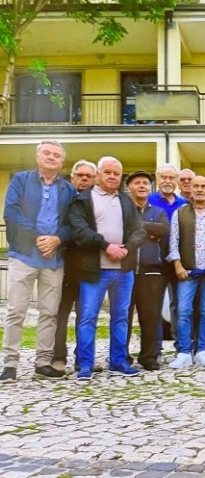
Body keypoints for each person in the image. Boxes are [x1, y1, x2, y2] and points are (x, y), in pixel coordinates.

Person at [1, 141, 77, 384]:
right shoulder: (21, 181)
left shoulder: (67, 189)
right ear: (37, 156)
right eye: (47, 153)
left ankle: (42, 363)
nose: (51, 158)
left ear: (62, 162)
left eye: (56, 155)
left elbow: (71, 222)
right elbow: (11, 212)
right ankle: (10, 364)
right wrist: (37, 237)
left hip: (53, 260)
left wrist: (57, 239)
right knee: (16, 311)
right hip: (24, 255)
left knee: (49, 313)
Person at [68, 156, 147, 381]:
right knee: (88, 317)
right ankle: (85, 364)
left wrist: (126, 248)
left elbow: (139, 230)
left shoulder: (126, 200)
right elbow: (79, 231)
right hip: (94, 270)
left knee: (121, 316)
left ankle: (118, 360)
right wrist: (106, 246)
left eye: (117, 173)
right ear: (98, 175)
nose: (113, 177)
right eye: (108, 172)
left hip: (124, 269)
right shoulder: (83, 199)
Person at [167, 176, 205, 369]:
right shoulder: (181, 213)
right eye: (196, 186)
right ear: (190, 189)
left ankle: (202, 350)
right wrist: (177, 264)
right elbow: (173, 241)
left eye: (204, 186)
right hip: (188, 271)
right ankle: (184, 352)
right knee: (184, 311)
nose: (200, 189)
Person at [52, 159, 97, 372]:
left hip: (88, 267)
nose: (85, 179)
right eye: (80, 175)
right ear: (73, 178)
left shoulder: (97, 203)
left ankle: (83, 358)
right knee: (60, 314)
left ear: (95, 179)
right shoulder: (64, 200)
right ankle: (58, 357)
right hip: (63, 265)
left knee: (86, 314)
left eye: (89, 176)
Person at [125, 170, 169, 371]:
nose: (142, 186)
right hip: (125, 270)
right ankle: (120, 355)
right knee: (123, 316)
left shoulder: (158, 211)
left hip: (151, 271)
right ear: (129, 188)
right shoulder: (123, 209)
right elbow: (120, 231)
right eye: (137, 183)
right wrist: (149, 230)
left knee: (150, 317)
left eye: (145, 183)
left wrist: (140, 226)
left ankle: (148, 357)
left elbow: (164, 230)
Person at [148, 163, 187, 352]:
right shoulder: (148, 201)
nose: (168, 181)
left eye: (171, 178)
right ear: (157, 179)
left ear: (177, 181)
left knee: (180, 306)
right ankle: (154, 349)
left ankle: (182, 346)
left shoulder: (184, 205)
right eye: (164, 177)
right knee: (154, 306)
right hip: (154, 260)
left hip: (178, 261)